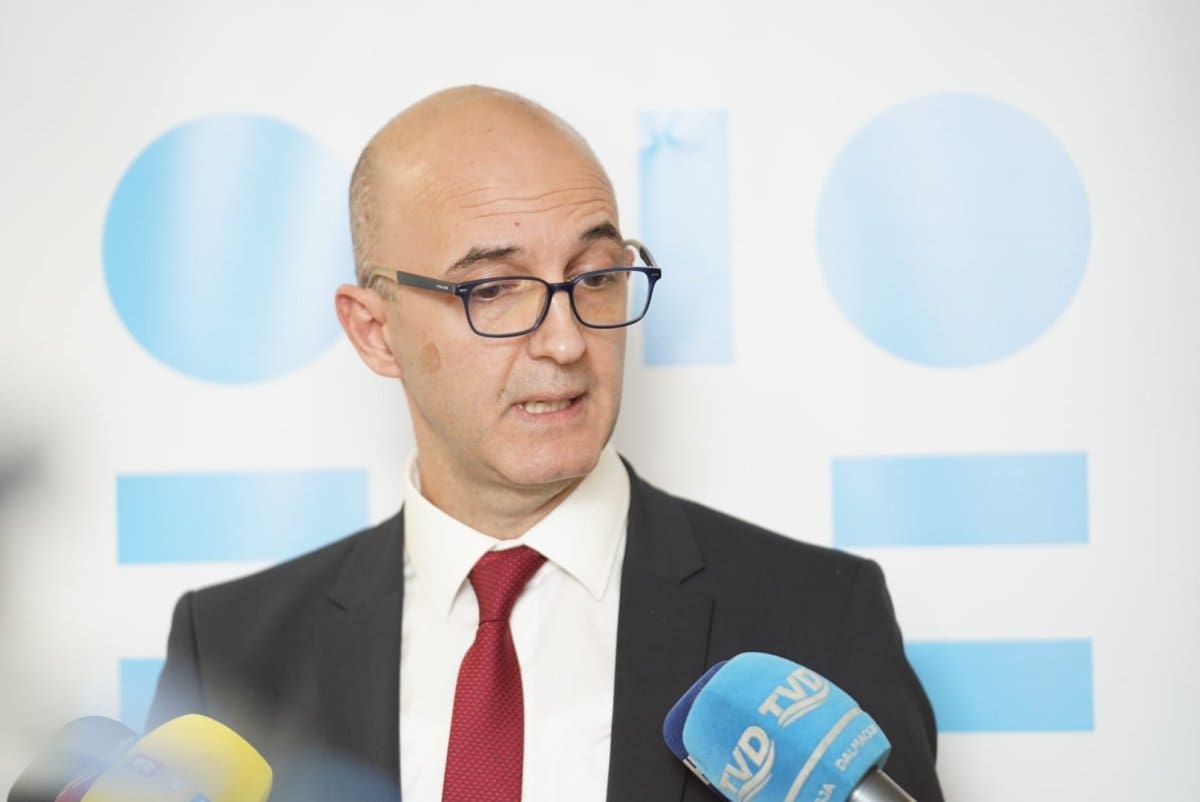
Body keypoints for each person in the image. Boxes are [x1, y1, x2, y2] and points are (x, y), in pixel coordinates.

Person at [147, 85, 943, 802]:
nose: (565, 342)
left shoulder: (817, 616)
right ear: (374, 330)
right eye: (493, 289)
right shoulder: (231, 654)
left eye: (595, 277)